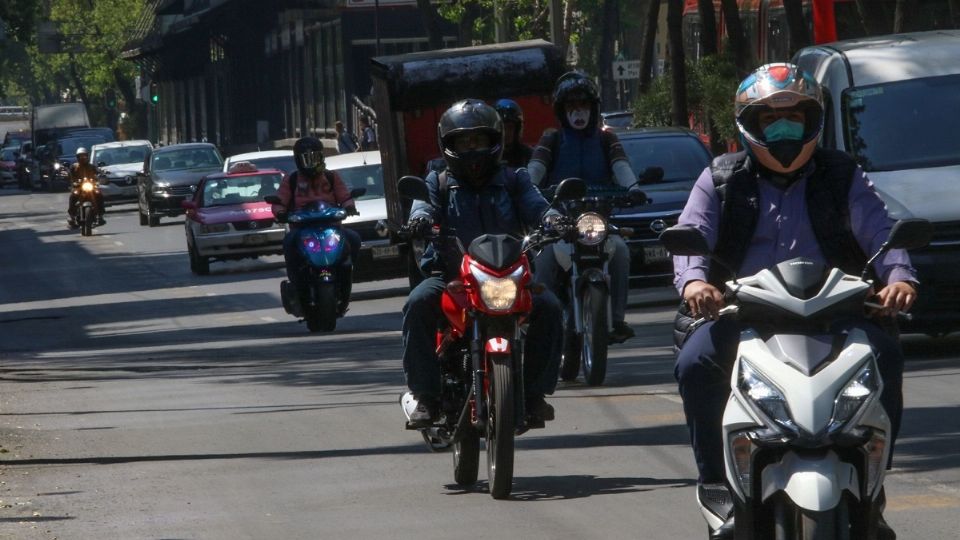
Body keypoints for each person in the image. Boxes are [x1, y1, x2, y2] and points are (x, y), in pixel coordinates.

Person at [672, 63, 917, 540]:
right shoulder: (720, 179)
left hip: (837, 313)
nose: (784, 130)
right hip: (742, 315)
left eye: (795, 118)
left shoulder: (843, 174)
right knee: (695, 362)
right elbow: (692, 236)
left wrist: (899, 278)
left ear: (814, 122)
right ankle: (717, 484)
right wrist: (694, 284)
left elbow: (881, 232)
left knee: (887, 355)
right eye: (770, 120)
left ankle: (873, 485)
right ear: (749, 126)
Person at [402, 98, 563, 427]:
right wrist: (419, 221)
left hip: (509, 276)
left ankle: (534, 394)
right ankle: (425, 396)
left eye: (479, 140)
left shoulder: (514, 180)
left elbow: (537, 206)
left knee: (550, 307)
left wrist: (556, 221)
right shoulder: (439, 181)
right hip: (452, 277)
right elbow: (422, 206)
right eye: (464, 141)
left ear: (495, 142)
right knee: (417, 302)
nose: (472, 149)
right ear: (449, 145)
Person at [528, 71, 638, 344]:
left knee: (622, 252)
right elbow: (535, 170)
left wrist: (634, 189)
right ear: (562, 111)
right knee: (543, 263)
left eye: (584, 106)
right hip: (559, 221)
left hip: (596, 221)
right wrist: (527, 187)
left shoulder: (606, 139)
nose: (578, 113)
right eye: (571, 107)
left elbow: (620, 167)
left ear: (594, 108)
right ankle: (545, 323)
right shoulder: (551, 139)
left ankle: (617, 319)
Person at [271, 137, 361, 314]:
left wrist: (349, 207)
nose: (311, 163)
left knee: (354, 239)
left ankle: (347, 277)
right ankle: (296, 282)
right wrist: (280, 212)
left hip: (331, 228)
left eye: (315, 157)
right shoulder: (292, 179)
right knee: (289, 242)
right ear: (298, 160)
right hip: (302, 230)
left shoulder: (330, 176)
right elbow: (280, 201)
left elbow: (344, 196)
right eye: (306, 158)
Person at [66, 147, 105, 227]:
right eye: (80, 156)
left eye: (84, 156)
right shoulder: (74, 167)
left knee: (99, 195)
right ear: (77, 157)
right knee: (72, 196)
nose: (82, 158)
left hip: (91, 186)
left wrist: (102, 172)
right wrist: (67, 174)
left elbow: (98, 171)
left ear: (87, 156)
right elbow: (69, 174)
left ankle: (100, 216)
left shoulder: (91, 166)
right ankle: (72, 217)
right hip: (78, 187)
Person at [494, 98, 533, 168]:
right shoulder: (489, 155)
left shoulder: (528, 154)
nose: (506, 133)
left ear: (517, 129)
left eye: (510, 127)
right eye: (502, 128)